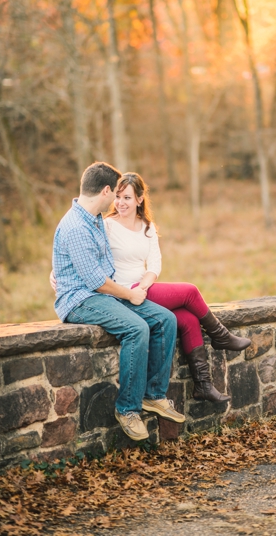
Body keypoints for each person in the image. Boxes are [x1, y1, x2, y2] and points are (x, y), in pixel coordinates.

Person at [52, 162, 184, 442]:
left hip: (104, 294)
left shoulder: (95, 218)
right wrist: (131, 294)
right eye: (116, 195)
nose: (118, 202)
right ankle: (127, 409)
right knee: (137, 328)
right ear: (106, 190)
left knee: (166, 320)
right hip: (79, 299)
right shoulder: (77, 226)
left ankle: (154, 395)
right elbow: (95, 281)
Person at [103, 172, 251, 402]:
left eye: (127, 198)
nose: (121, 203)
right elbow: (85, 252)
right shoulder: (107, 226)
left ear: (140, 199)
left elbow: (154, 263)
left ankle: (202, 384)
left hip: (141, 286)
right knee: (190, 291)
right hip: (123, 291)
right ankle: (220, 335)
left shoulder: (147, 227)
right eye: (118, 197)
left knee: (189, 320)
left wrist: (143, 285)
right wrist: (57, 272)